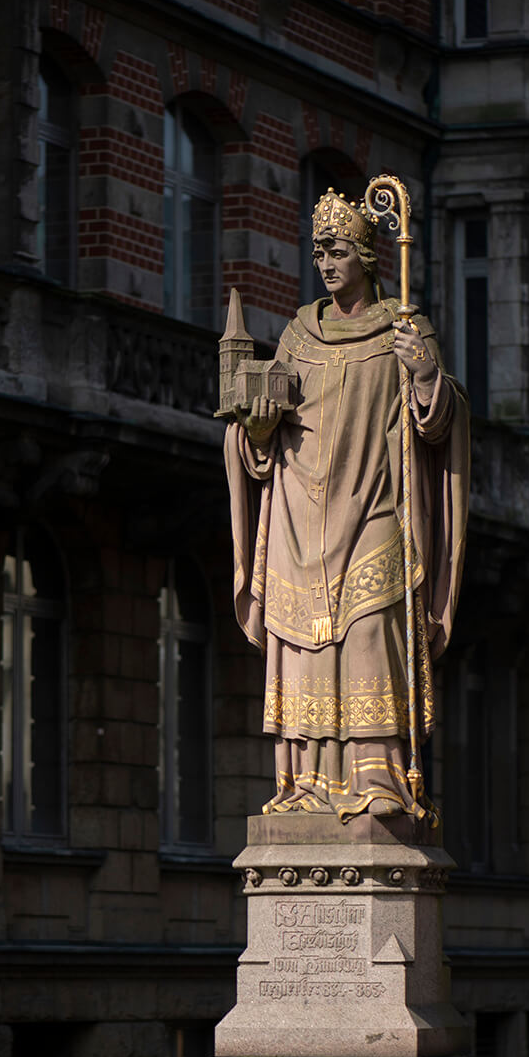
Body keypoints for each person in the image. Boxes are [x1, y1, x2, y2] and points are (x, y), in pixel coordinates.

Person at [224, 188, 469, 820]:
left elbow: (440, 428)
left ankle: (378, 780)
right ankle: (307, 785)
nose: (326, 263)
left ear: (365, 254)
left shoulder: (405, 331)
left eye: (337, 251)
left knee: (368, 639)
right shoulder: (298, 335)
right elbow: (262, 430)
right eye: (319, 253)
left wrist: (423, 378)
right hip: (299, 521)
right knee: (307, 651)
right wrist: (253, 426)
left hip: (376, 511)